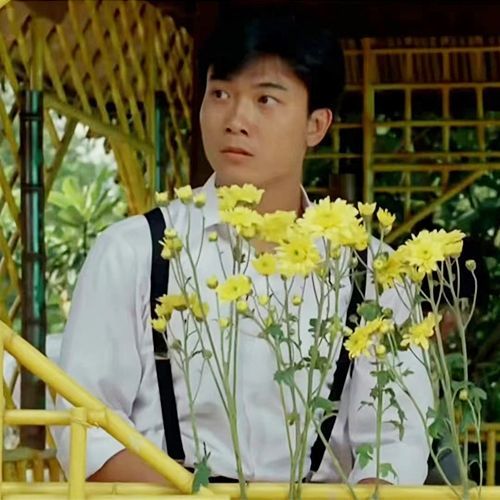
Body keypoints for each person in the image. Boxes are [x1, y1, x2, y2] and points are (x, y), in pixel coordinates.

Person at [53, 10, 432, 485]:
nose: (235, 120)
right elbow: (85, 430)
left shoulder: (374, 271)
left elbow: (397, 443)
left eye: (265, 99)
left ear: (316, 125)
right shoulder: (133, 252)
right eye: (220, 94)